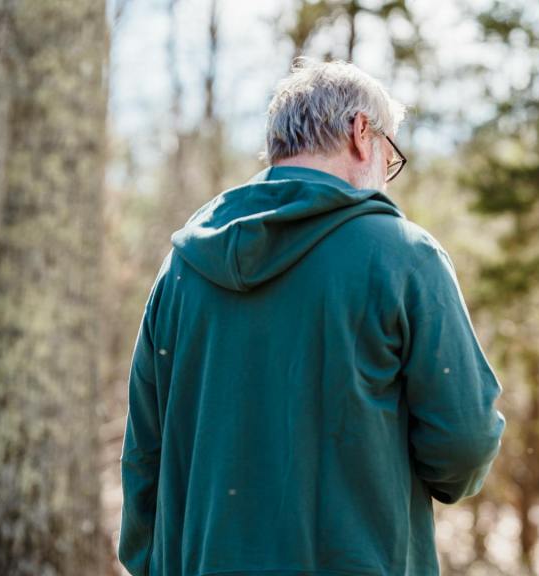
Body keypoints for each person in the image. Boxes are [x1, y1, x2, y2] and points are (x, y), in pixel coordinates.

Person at [117, 58, 505, 576]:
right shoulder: (403, 257)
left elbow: (145, 453)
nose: (386, 179)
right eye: (391, 157)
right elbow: (463, 446)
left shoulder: (181, 270)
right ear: (362, 132)